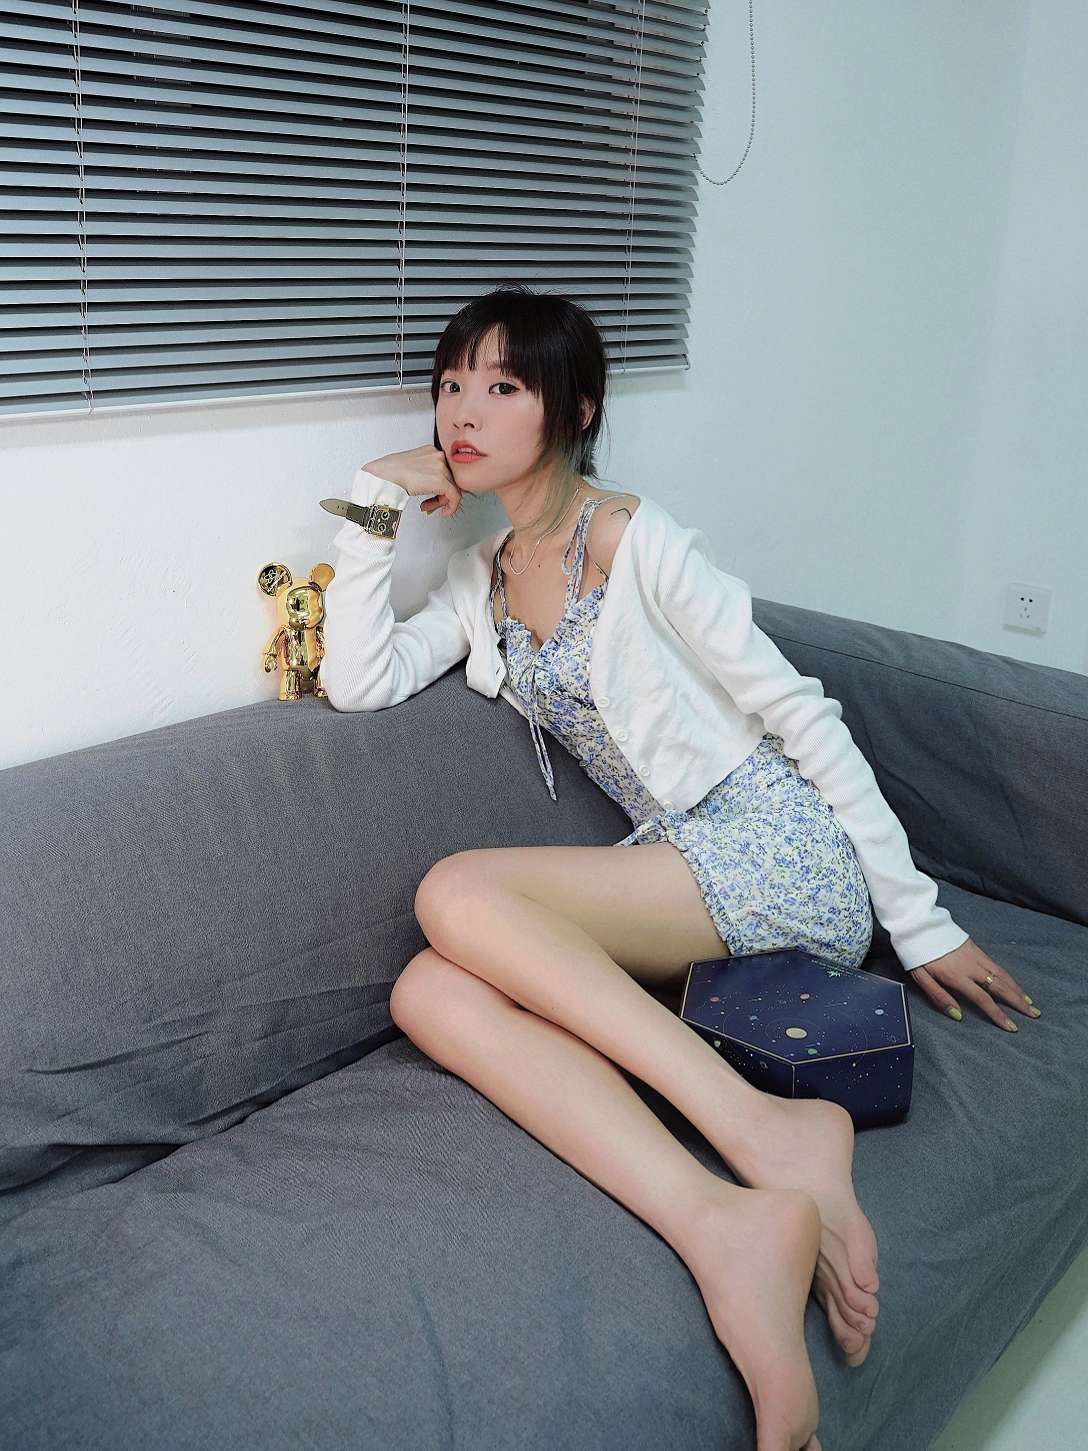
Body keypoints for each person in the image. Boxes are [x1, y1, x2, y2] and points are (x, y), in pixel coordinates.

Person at [320, 284, 1040, 1451]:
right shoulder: (483, 573)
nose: (462, 410)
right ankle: (718, 1222)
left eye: (501, 384)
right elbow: (359, 680)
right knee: (427, 988)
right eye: (450, 384)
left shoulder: (631, 540)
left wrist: (919, 921)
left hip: (773, 842)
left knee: (453, 892)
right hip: (676, 859)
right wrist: (373, 497)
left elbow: (801, 715)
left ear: (574, 407)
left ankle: (761, 1131)